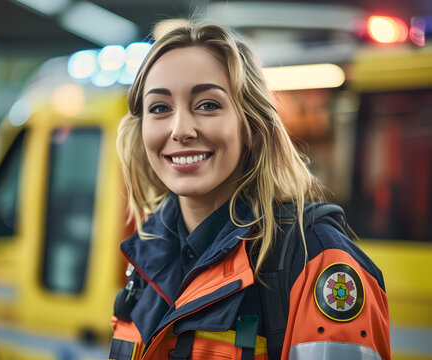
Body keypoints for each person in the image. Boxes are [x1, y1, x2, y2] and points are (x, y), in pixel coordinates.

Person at [109, 20, 390, 360]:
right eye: (159, 108)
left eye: (208, 105)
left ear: (252, 128)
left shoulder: (316, 260)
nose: (180, 129)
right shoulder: (146, 260)